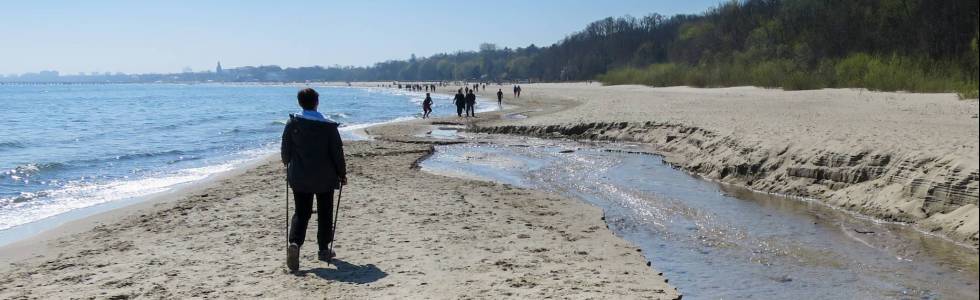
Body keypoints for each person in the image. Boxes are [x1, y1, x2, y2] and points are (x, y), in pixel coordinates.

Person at [281, 88, 347, 272]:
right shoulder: (328, 126)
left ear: (299, 102)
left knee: (302, 212)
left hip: (299, 176)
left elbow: (285, 150)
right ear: (317, 102)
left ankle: (295, 244)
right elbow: (337, 152)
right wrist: (342, 173)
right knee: (325, 212)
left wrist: (287, 163)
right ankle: (323, 249)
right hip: (325, 177)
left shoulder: (292, 123)